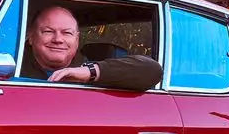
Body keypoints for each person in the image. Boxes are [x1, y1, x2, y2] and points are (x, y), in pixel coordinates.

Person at [19, 5, 163, 91]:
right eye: (48, 31)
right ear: (31, 37)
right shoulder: (10, 67)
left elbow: (153, 70)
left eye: (67, 33)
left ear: (77, 39)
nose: (58, 39)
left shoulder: (92, 70)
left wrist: (89, 72)